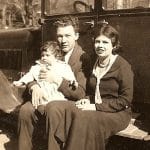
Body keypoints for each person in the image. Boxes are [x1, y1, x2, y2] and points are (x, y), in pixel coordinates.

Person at [45, 23, 134, 150]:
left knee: (83, 116)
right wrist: (88, 98)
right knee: (54, 107)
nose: (100, 46)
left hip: (117, 113)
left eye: (105, 42)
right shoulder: (94, 62)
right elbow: (95, 91)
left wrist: (95, 106)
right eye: (97, 42)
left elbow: (125, 101)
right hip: (94, 105)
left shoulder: (122, 66)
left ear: (113, 45)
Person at [18, 15, 90, 150]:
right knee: (25, 110)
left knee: (53, 108)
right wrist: (33, 87)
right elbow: (33, 73)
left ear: (76, 36)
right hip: (46, 98)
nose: (63, 40)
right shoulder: (52, 51)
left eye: (68, 36)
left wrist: (56, 79)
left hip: (69, 102)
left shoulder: (83, 58)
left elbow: (80, 92)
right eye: (60, 36)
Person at [13, 41, 78, 107]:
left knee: (55, 105)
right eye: (42, 55)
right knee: (37, 104)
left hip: (56, 95)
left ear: (56, 56)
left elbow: (69, 75)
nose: (44, 58)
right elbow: (30, 75)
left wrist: (73, 81)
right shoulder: (38, 67)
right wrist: (21, 82)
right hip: (42, 96)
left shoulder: (62, 66)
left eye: (47, 55)